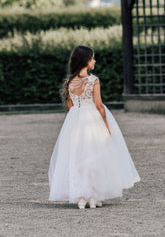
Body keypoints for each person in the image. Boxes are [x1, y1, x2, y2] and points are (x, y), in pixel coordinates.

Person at [48, 45, 140, 209]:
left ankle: (81, 196)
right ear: (85, 61)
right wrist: (106, 125)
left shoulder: (70, 81)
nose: (94, 61)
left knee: (78, 157)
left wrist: (74, 120)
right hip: (92, 120)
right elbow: (99, 105)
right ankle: (94, 196)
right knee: (96, 156)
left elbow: (70, 105)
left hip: (75, 121)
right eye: (92, 58)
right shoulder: (93, 80)